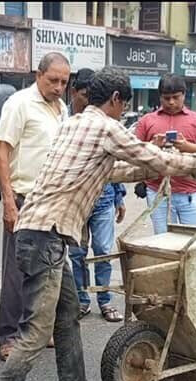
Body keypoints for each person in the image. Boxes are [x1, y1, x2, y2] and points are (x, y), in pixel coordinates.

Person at [0, 67, 196, 381]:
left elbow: (110, 171)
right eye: (123, 106)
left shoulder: (75, 124)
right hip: (45, 237)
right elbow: (157, 162)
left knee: (67, 314)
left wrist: (154, 164)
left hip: (41, 234)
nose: (123, 113)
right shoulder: (105, 126)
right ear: (116, 100)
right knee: (35, 333)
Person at [0, 52, 71, 361]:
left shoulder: (61, 108)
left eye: (64, 82)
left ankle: (35, 328)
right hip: (24, 198)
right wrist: (8, 202)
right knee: (16, 270)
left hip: (51, 200)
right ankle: (8, 335)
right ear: (38, 74)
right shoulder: (19, 103)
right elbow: (2, 154)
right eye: (53, 80)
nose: (58, 87)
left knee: (47, 269)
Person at [67, 67, 127, 323]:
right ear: (75, 93)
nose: (87, 100)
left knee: (102, 249)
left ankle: (104, 300)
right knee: (77, 253)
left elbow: (116, 162)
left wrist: (119, 196)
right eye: (84, 95)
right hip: (77, 200)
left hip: (103, 199)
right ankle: (81, 300)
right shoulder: (66, 122)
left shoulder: (110, 124)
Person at [135, 74, 196, 234]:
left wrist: (188, 147)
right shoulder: (146, 120)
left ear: (184, 95)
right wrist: (152, 146)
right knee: (164, 242)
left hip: (191, 192)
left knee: (195, 241)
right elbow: (133, 150)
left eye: (175, 97)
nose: (171, 102)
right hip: (157, 193)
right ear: (160, 97)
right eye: (166, 98)